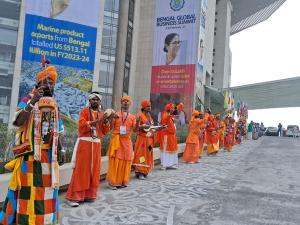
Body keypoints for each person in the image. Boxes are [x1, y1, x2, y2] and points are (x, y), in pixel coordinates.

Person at [0, 65, 64, 225]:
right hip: (29, 157)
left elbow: (57, 129)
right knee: (28, 192)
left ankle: (46, 221)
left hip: (49, 157)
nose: (49, 85)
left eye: (52, 82)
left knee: (48, 190)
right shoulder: (27, 99)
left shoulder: (54, 103)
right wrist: (33, 101)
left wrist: (61, 148)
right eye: (46, 81)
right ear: (38, 83)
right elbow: (18, 121)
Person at [65, 92, 111, 207]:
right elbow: (81, 125)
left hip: (96, 144)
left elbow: (105, 131)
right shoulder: (84, 111)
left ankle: (89, 195)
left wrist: (105, 121)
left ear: (100, 101)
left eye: (97, 99)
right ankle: (74, 197)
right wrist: (97, 121)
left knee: (93, 170)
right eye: (93, 99)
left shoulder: (102, 114)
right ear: (89, 101)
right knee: (81, 170)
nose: (95, 101)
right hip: (85, 143)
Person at [106, 96, 137, 189]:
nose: (125, 103)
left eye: (127, 101)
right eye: (124, 101)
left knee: (125, 161)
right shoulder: (116, 114)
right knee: (116, 161)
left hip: (127, 141)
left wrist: (138, 122)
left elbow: (135, 130)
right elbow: (110, 127)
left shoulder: (132, 117)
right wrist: (111, 117)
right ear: (121, 103)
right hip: (116, 140)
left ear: (130, 103)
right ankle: (112, 182)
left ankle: (123, 181)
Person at [132, 100, 156, 180]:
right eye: (147, 106)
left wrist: (158, 128)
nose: (149, 108)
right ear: (143, 107)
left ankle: (145, 171)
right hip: (142, 140)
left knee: (148, 155)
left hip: (149, 140)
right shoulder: (139, 115)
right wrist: (143, 127)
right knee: (141, 155)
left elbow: (151, 127)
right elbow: (135, 128)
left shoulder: (149, 116)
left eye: (150, 106)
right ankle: (139, 172)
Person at [158, 103, 178, 169]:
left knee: (172, 150)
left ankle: (171, 164)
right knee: (165, 150)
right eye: (172, 108)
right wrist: (171, 115)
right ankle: (164, 164)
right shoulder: (165, 115)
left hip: (172, 136)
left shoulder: (170, 115)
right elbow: (166, 118)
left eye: (173, 108)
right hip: (166, 136)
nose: (173, 109)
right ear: (169, 109)